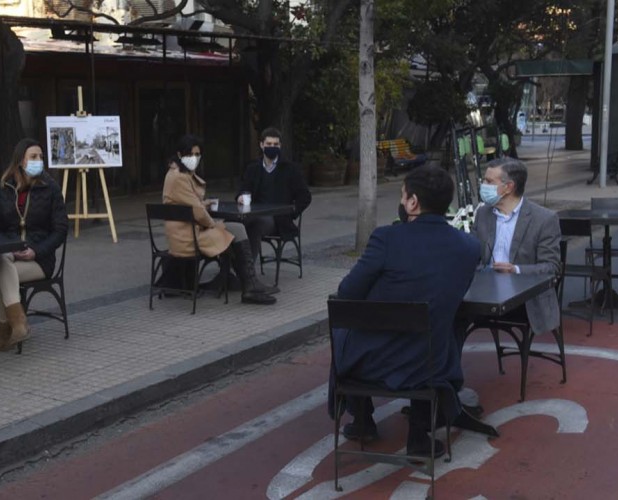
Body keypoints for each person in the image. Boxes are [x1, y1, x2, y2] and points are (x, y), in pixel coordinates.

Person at [328, 165, 480, 456]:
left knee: (343, 329)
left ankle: (362, 420)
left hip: (371, 362)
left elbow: (348, 293)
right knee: (439, 332)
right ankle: (419, 438)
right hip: (433, 364)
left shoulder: (387, 239)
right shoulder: (469, 247)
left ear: (412, 202)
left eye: (402, 195)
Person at [0, 139, 69, 354]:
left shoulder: (51, 188)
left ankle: (4, 331)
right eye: (33, 157)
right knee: (1, 259)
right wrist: (10, 246)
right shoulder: (4, 188)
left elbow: (61, 230)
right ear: (20, 161)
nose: (39, 161)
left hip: (39, 260)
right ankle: (18, 324)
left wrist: (36, 250)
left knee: (0, 273)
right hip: (10, 255)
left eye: (41, 157)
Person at [162, 135, 275, 305]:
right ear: (179, 154)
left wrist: (204, 205)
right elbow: (197, 212)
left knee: (236, 228)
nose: (195, 158)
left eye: (197, 154)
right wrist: (213, 224)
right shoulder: (179, 177)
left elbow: (188, 204)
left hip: (188, 231)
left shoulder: (179, 174)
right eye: (190, 154)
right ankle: (249, 285)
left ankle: (248, 283)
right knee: (235, 229)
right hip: (188, 237)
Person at [471, 157, 561, 337]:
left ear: (508, 187)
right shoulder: (483, 213)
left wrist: (516, 270)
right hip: (483, 293)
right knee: (448, 314)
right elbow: (472, 255)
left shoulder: (544, 219)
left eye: (489, 181)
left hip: (523, 300)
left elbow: (552, 267)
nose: (483, 185)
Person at [237, 127, 312, 283]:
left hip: (278, 220)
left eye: (276, 144)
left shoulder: (290, 169)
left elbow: (305, 196)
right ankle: (231, 271)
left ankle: (246, 275)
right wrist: (240, 198)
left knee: (254, 225)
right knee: (234, 225)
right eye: (269, 144)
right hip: (253, 213)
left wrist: (290, 212)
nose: (272, 147)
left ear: (280, 146)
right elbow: (242, 190)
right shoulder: (252, 168)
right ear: (261, 145)